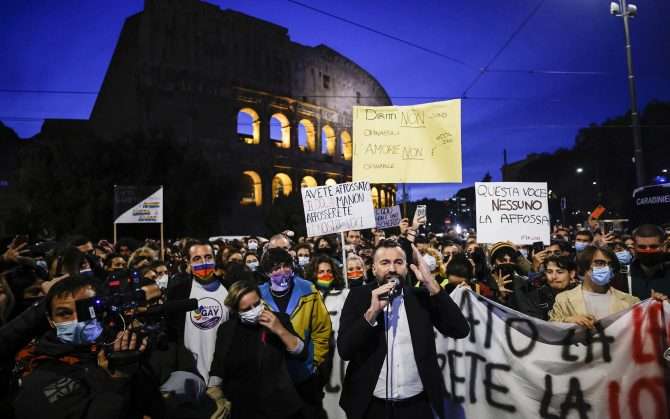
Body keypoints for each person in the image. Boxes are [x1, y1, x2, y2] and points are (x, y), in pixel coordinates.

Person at [337, 240, 469, 419]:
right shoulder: (358, 297)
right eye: (385, 263)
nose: (392, 268)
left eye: (398, 262)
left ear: (407, 268)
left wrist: (431, 282)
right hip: (371, 407)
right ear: (374, 268)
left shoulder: (421, 297)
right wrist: (371, 313)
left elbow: (460, 329)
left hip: (418, 406)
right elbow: (345, 350)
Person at [12, 276, 160, 419]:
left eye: (86, 310)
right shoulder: (42, 373)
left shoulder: (119, 344)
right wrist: (117, 379)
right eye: (64, 313)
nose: (77, 320)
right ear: (51, 320)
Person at [209, 280, 307, 419]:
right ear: (236, 311)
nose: (254, 310)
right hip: (241, 408)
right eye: (247, 309)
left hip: (278, 408)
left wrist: (279, 330)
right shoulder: (227, 330)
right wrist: (214, 392)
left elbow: (301, 353)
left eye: (256, 304)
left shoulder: (278, 319)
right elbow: (218, 364)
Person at [258, 248, 332, 419]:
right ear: (267, 272)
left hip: (304, 373)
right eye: (276, 268)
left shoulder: (308, 290)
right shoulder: (258, 295)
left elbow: (322, 329)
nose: (282, 271)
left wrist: (314, 362)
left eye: (286, 266)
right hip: (274, 377)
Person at [167, 240, 230, 408]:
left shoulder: (230, 289)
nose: (203, 262)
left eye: (208, 257)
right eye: (197, 258)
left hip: (223, 378)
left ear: (215, 259)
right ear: (188, 263)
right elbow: (172, 334)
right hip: (189, 377)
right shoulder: (178, 292)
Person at [549, 246, 642, 327]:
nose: (606, 268)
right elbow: (550, 328)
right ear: (585, 266)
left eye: (610, 264)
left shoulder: (631, 301)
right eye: (599, 263)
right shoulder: (564, 299)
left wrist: (655, 304)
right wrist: (567, 321)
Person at [629, 224, 670, 298]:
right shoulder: (623, 276)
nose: (648, 251)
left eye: (653, 246)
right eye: (642, 247)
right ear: (634, 246)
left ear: (663, 246)